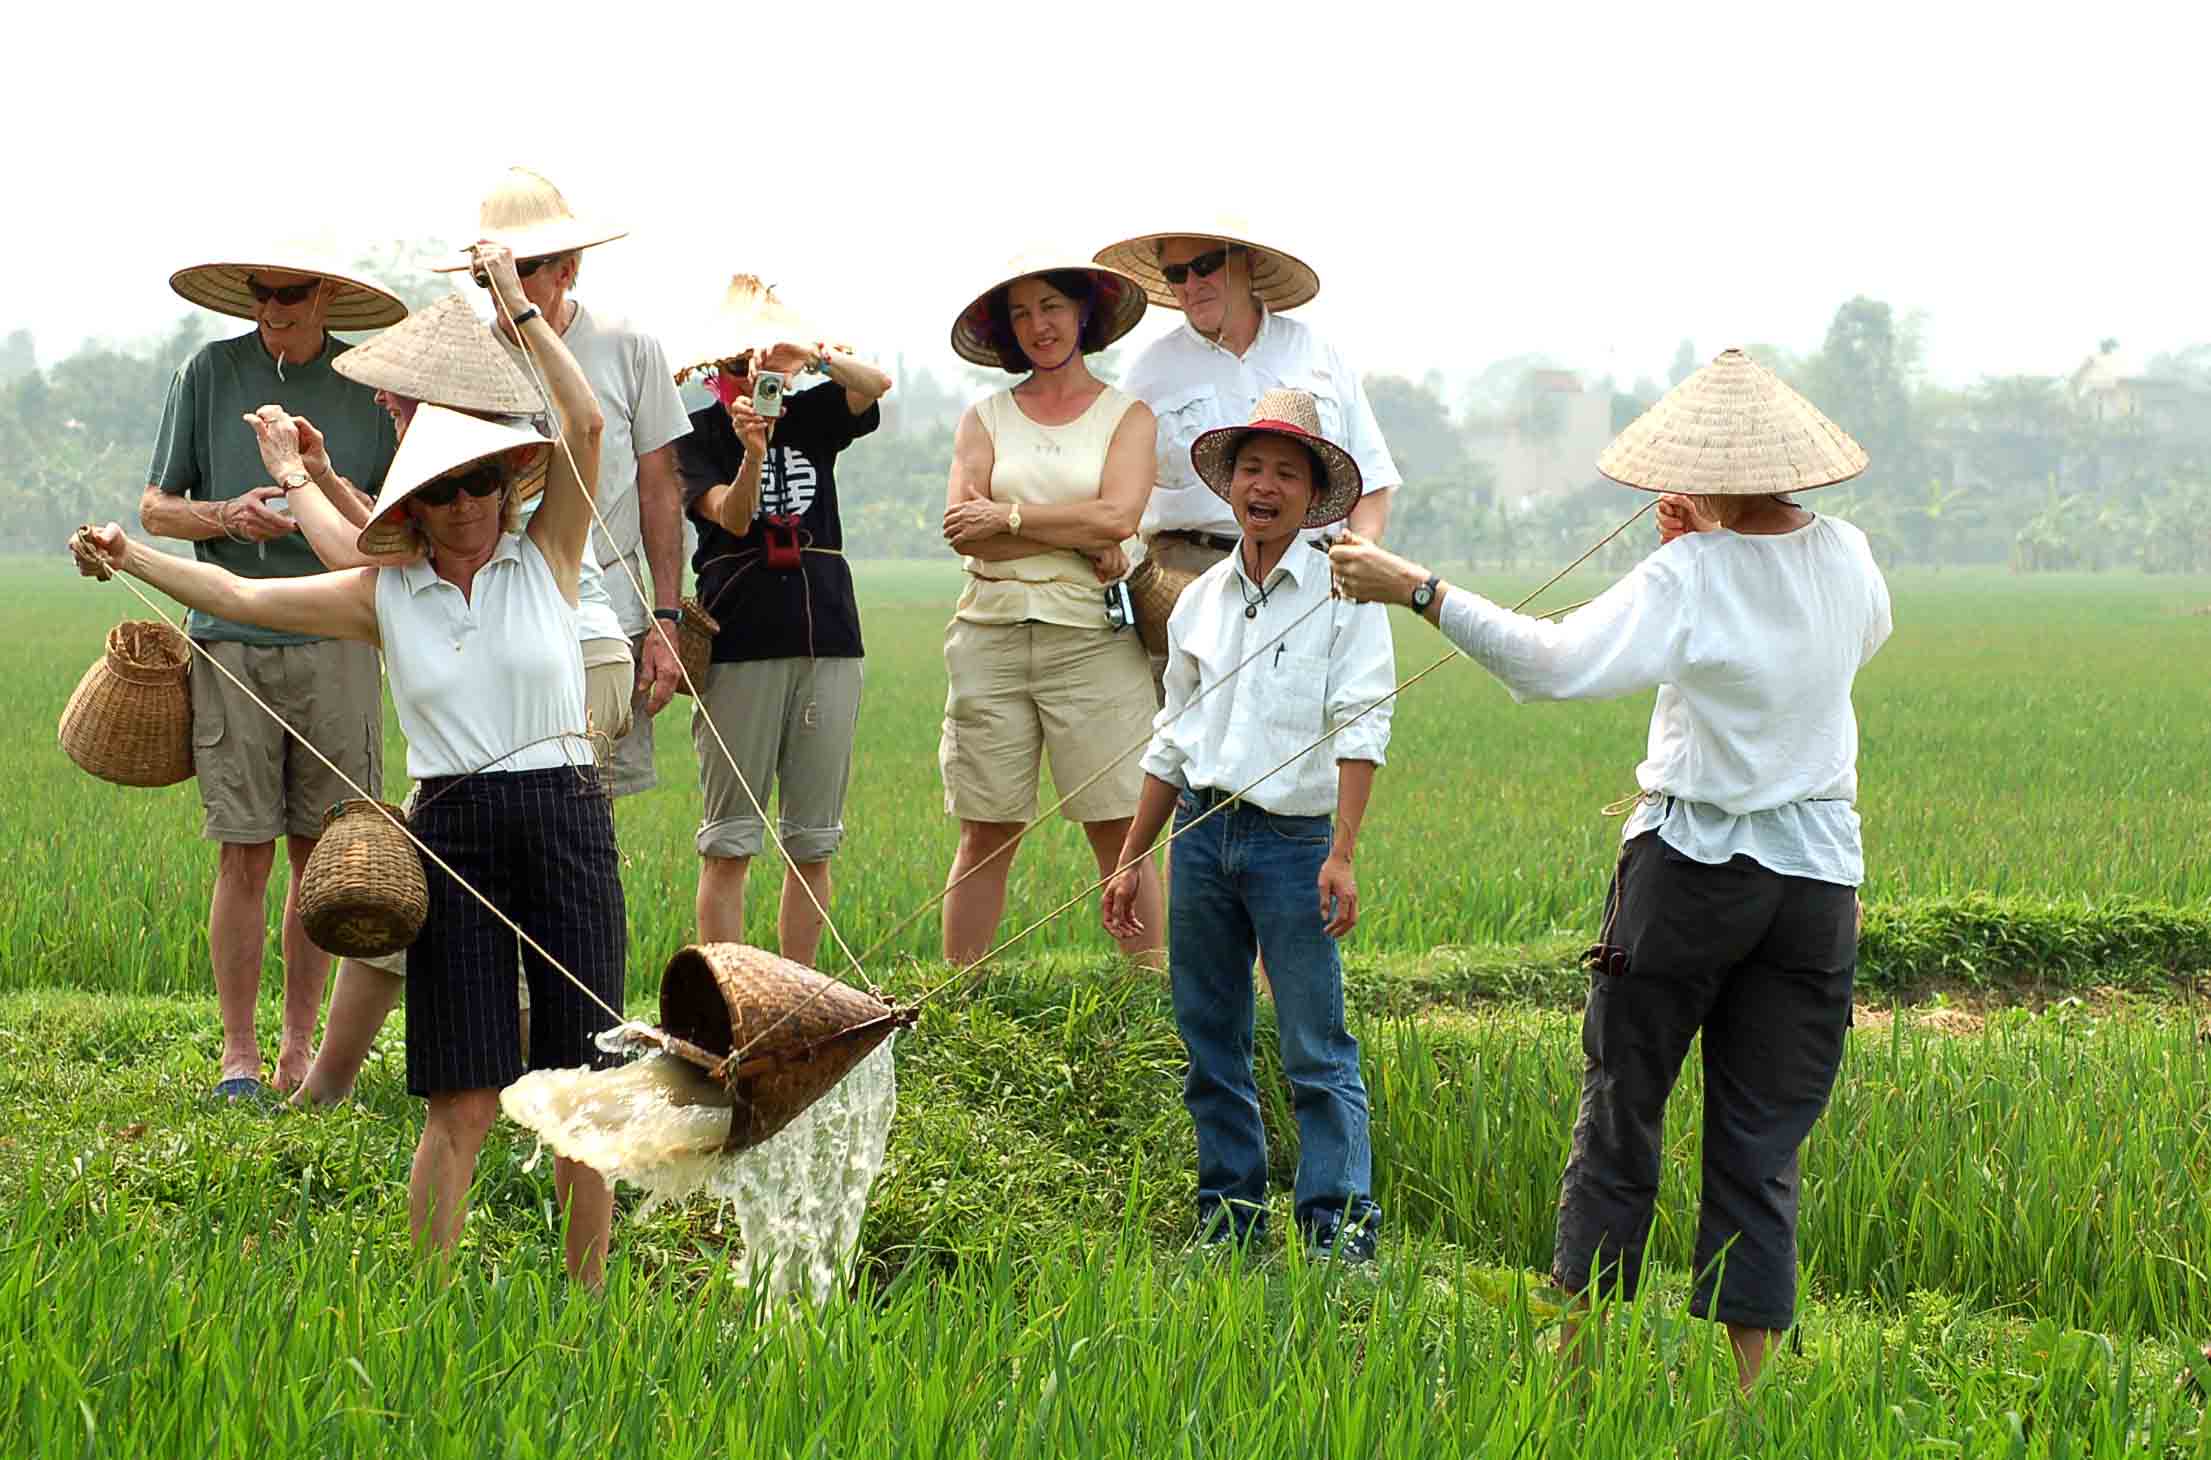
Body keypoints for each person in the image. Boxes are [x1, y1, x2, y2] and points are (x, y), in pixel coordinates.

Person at [1327, 348, 1892, 1388]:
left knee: (1623, 1105)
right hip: (1816, 880)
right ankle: (1751, 1399)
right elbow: (1828, 646)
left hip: (1691, 871)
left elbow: (1551, 664)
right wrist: (1708, 551)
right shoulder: (1849, 555)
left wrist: (1417, 587)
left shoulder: (1691, 574)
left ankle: (1577, 1368)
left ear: (1699, 468)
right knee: (1761, 1138)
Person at [79, 243, 624, 1286]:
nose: (465, 506)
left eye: (479, 483)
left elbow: (586, 425)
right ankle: (426, 1300)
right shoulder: (387, 594)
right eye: (441, 490)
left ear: (505, 487)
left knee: (582, 1088)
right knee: (462, 1094)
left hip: (564, 815)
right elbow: (240, 595)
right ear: (411, 506)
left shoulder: (545, 557)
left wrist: (519, 307)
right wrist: (127, 552)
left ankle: (589, 1297)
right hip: (453, 831)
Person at [269, 292, 632, 1105]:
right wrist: (319, 476)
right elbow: (393, 554)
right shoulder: (439, 464)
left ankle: (532, 1074)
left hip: (554, 663)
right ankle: (455, 1077)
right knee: (432, 878)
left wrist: (295, 477)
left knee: (476, 878)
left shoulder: (475, 450)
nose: (383, 399)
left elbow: (357, 555)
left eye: (397, 387)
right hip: (490, 673)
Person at [1103, 389, 1394, 1261]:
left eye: (1286, 474)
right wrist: (1131, 858)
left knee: (1315, 1046)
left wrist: (1342, 853)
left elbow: (1362, 724)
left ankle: (1338, 1232)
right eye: (1252, 470)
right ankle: (1226, 1219)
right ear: (1229, 485)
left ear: (1313, 497)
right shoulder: (1199, 601)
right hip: (1201, 837)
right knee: (1209, 1039)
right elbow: (1171, 736)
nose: (1264, 487)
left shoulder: (1345, 597)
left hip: (1294, 846)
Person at [143, 248, 404, 1100]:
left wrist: (321, 490)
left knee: (323, 852)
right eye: (261, 294)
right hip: (230, 636)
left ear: (324, 296)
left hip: (339, 633)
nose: (274, 308)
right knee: (243, 849)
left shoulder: (369, 387)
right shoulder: (209, 372)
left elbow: (396, 520)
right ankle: (239, 1057)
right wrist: (228, 515)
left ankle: (299, 1048)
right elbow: (155, 507)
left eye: (290, 294)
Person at [938, 252, 1163, 966]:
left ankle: (1149, 997)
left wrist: (1008, 518)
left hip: (1091, 638)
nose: (1039, 325)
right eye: (1021, 314)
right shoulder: (985, 418)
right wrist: (1078, 534)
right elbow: (962, 530)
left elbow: (1119, 517)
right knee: (986, 828)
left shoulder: (1127, 417)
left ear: (1082, 313)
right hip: (989, 633)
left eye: (1052, 307)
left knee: (1119, 826)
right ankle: (958, 1002)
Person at [438, 167, 691, 796]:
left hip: (609, 612)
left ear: (567, 270)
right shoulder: (462, 362)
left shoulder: (630, 347)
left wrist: (665, 618)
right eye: (489, 273)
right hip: (501, 617)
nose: (504, 286)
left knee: (593, 801)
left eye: (522, 268)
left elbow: (660, 490)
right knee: (504, 794)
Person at [671, 277, 894, 967]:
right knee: (728, 839)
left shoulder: (815, 413)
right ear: (715, 369)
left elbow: (876, 385)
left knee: (813, 841)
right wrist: (753, 454)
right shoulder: (696, 435)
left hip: (828, 635)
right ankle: (725, 997)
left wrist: (813, 356)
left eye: (761, 358)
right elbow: (733, 518)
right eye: (737, 362)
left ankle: (799, 992)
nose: (752, 374)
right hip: (738, 641)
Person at [1094, 218, 1401, 696]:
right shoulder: (1149, 374)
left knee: (1303, 725)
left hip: (1307, 574)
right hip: (1188, 579)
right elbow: (1114, 494)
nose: (1191, 284)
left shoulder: (1317, 354)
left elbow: (1371, 477)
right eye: (1176, 273)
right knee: (1187, 728)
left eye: (1205, 266)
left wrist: (1357, 560)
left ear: (1248, 263)